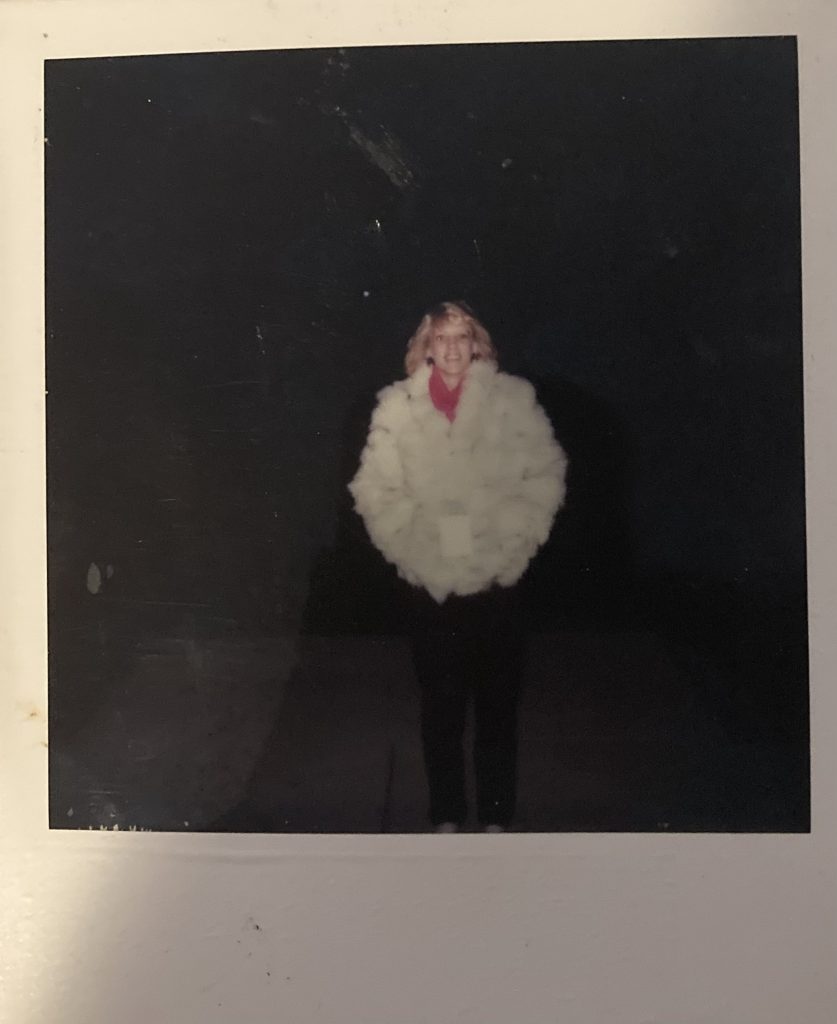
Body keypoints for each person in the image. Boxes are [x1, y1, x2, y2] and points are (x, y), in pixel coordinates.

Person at [348, 301, 567, 832]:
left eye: (461, 337)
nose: (450, 349)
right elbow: (375, 491)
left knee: (497, 709)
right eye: (439, 339)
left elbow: (544, 478)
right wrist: (415, 549)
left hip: (498, 583)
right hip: (430, 586)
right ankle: (446, 817)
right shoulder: (396, 410)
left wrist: (510, 545)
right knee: (440, 711)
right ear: (424, 347)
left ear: (477, 345)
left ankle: (495, 820)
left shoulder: (512, 403)